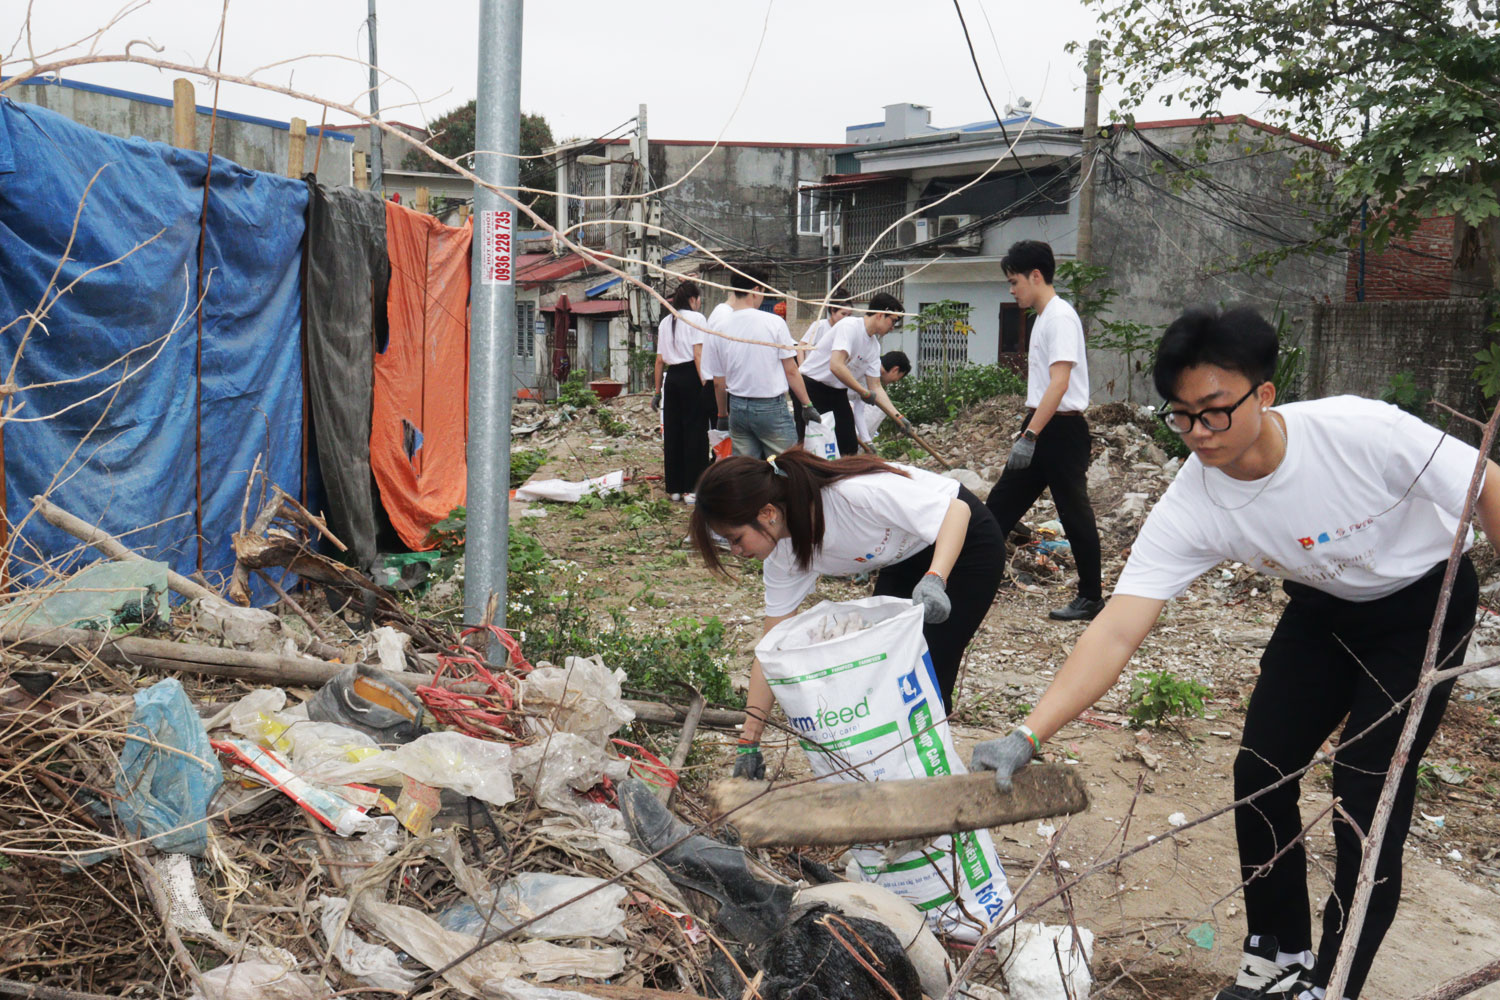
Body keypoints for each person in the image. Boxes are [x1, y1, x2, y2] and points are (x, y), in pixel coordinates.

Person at [970, 305, 1500, 1000]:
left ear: (1264, 394)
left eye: (1214, 410)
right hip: (1323, 609)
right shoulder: (1195, 501)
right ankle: (1277, 956)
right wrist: (1028, 731)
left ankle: (1335, 982)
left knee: (1364, 794)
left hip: (1422, 603)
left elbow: (1486, 483)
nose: (1198, 433)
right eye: (1181, 415)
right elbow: (1117, 628)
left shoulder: (1360, 430)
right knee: (1260, 771)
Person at [691, 448, 1006, 779]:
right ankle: (893, 774)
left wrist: (935, 578)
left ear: (768, 512)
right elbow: (772, 648)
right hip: (905, 558)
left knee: (927, 668)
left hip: (965, 542)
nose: (738, 552)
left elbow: (955, 512)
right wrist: (749, 741)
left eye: (736, 539)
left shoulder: (850, 495)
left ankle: (932, 779)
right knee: (883, 664)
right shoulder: (784, 555)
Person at [985, 240, 1105, 622]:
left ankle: (1091, 597)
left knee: (1074, 512)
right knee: (999, 507)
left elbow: (1060, 383)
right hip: (1040, 424)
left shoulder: (1060, 318)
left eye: (1014, 281)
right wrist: (1030, 431)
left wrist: (1031, 436)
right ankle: (973, 579)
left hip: (1060, 429)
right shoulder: (1042, 318)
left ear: (1036, 276)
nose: (1012, 289)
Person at [700, 269, 821, 459]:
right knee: (787, 465)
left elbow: (718, 380)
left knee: (747, 472)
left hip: (737, 408)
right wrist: (807, 405)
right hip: (770, 409)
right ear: (756, 290)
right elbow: (791, 371)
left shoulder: (719, 327)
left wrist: (722, 416)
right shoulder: (773, 322)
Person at [797, 294, 916, 456]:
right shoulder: (850, 327)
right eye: (893, 321)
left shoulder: (874, 347)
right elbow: (836, 365)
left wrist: (898, 416)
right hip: (810, 388)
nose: (893, 327)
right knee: (813, 444)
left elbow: (875, 386)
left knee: (848, 445)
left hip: (837, 392)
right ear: (880, 314)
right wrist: (863, 391)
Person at [651, 281, 714, 502]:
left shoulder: (665, 321)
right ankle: (692, 488)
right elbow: (698, 355)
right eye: (698, 300)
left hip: (672, 379)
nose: (699, 304)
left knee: (674, 432)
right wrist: (706, 384)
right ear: (693, 299)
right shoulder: (697, 319)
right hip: (691, 377)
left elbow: (659, 361)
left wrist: (657, 392)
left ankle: (675, 489)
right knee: (695, 433)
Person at [792, 302, 852, 443]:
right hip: (810, 380)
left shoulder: (847, 330)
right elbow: (801, 347)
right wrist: (802, 370)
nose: (846, 318)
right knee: (807, 427)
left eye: (849, 315)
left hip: (829, 385)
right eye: (843, 314)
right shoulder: (820, 325)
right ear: (832, 310)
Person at [853, 350, 912, 445]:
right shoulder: (867, 363)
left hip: (855, 415)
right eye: (899, 377)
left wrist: (898, 417)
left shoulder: (874, 373)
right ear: (895, 370)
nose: (896, 381)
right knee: (877, 409)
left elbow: (876, 387)